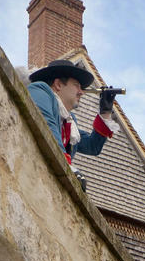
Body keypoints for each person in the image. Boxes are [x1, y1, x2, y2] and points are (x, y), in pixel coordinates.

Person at [28, 59, 119, 187]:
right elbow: (47, 124)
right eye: (77, 85)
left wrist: (105, 111)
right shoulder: (39, 90)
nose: (81, 92)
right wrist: (67, 167)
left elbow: (92, 146)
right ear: (58, 84)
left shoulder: (70, 121)